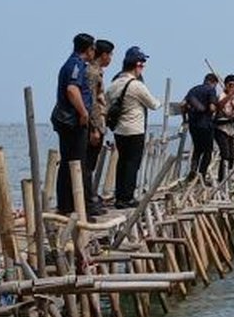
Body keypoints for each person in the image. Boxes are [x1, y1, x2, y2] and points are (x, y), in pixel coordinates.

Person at [105, 47, 161, 208]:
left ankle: (120, 196)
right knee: (132, 164)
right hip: (135, 129)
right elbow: (153, 104)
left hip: (119, 130)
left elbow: (107, 104)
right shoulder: (136, 85)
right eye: (142, 65)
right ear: (136, 65)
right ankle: (127, 197)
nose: (142, 68)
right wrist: (161, 101)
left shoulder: (114, 84)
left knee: (122, 162)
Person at [51, 32, 96, 216]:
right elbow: (72, 89)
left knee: (69, 161)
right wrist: (83, 112)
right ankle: (76, 206)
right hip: (72, 121)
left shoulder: (73, 63)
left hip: (68, 120)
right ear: (89, 49)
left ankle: (67, 204)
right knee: (77, 162)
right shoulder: (76, 65)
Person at [86, 38, 114, 210]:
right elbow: (91, 102)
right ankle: (88, 200)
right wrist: (95, 128)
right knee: (88, 164)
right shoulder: (93, 73)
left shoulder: (97, 73)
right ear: (103, 55)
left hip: (99, 122)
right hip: (95, 123)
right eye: (110, 55)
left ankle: (90, 197)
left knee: (91, 164)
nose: (111, 59)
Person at [183, 73, 220, 184]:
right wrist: (213, 112)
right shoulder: (211, 90)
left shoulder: (193, 90)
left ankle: (193, 170)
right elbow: (212, 108)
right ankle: (201, 176)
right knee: (208, 151)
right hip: (206, 125)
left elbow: (182, 105)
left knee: (197, 149)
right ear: (213, 82)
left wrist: (185, 119)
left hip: (193, 125)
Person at [213, 74, 234, 183]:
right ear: (226, 86)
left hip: (231, 129)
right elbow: (219, 106)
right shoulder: (222, 95)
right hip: (221, 129)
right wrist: (229, 95)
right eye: (231, 85)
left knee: (231, 156)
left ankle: (227, 176)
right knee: (225, 154)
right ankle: (221, 179)